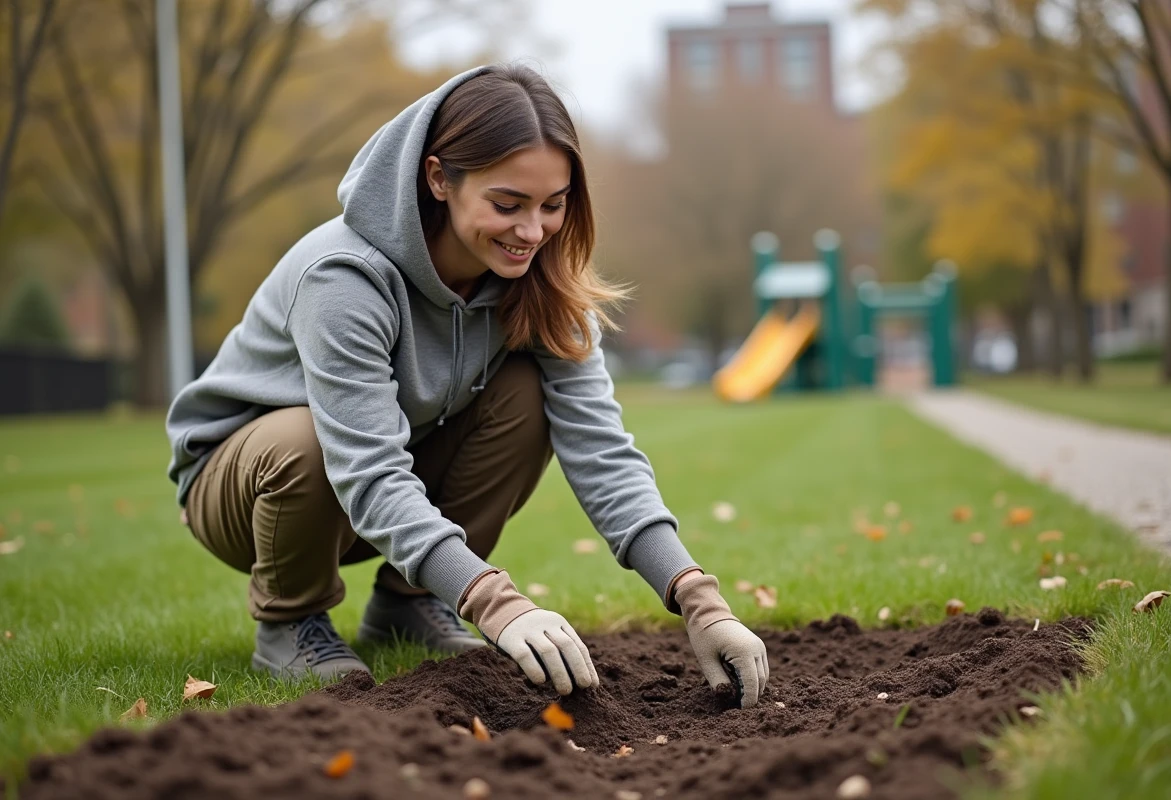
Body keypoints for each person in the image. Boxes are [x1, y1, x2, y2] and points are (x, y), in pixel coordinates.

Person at [165, 64, 769, 707]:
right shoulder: (343, 278)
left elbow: (602, 450)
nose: (532, 231)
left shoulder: (541, 280)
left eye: (553, 205)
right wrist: (497, 605)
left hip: (380, 482)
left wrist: (701, 603)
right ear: (438, 179)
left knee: (525, 393)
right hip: (251, 490)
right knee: (304, 435)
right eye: (507, 204)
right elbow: (367, 469)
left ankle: (412, 605)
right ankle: (290, 623)